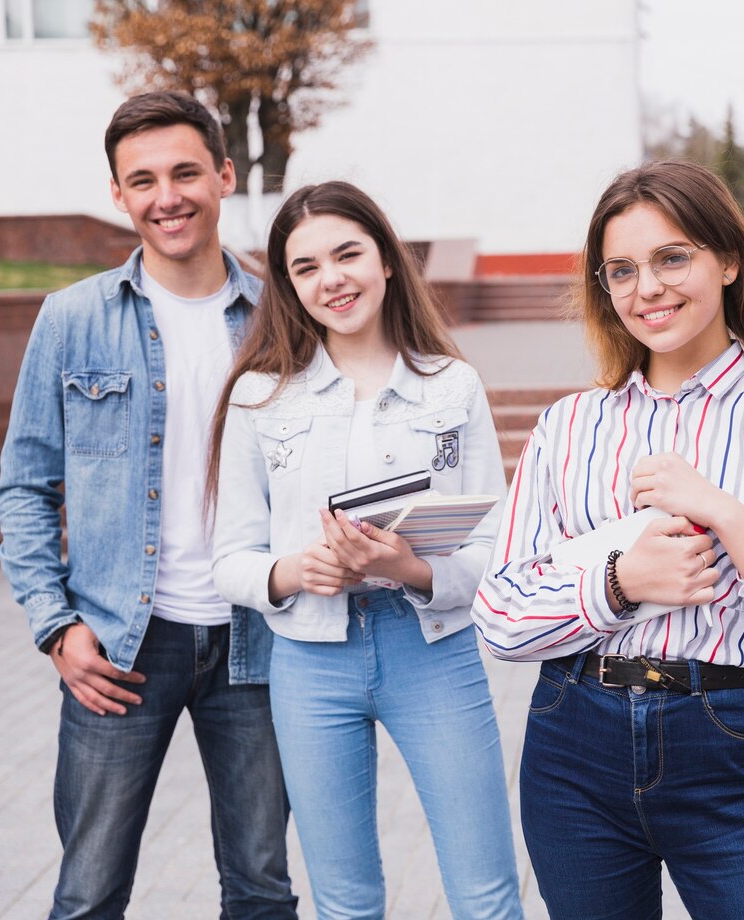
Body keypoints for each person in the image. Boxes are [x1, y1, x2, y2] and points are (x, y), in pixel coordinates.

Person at [470, 158, 744, 920]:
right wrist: (620, 584)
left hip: (722, 744)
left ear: (726, 261)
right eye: (621, 270)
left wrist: (734, 520)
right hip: (572, 745)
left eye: (671, 258)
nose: (646, 288)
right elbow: (499, 614)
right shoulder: (569, 427)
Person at [0, 92, 297, 919]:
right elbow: (23, 485)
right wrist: (57, 626)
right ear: (120, 195)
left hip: (257, 642)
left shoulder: (281, 318)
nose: (169, 196)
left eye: (187, 172)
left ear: (224, 175)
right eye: (145, 179)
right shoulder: (72, 319)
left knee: (263, 888)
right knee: (88, 893)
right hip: (120, 644)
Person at [206, 180, 523, 920]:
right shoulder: (259, 396)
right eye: (306, 266)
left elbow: (492, 546)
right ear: (287, 285)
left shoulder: (453, 386)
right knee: (345, 903)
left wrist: (406, 568)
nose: (332, 278)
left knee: (486, 895)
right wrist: (292, 570)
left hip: (433, 653)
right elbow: (230, 558)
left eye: (348, 253)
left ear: (386, 260)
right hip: (310, 663)